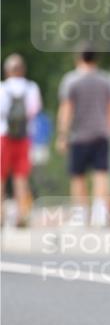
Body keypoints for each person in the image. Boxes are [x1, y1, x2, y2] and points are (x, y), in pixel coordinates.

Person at [56, 48, 110, 225]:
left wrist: (62, 135)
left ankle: (79, 216)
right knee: (101, 174)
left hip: (78, 136)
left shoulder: (71, 80)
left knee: (78, 176)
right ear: (96, 59)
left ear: (78, 58)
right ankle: (100, 215)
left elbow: (66, 109)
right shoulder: (106, 81)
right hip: (101, 134)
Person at [0, 54, 42, 226]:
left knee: (1, 177)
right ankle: (22, 216)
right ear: (23, 70)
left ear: (7, 71)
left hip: (3, 136)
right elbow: (35, 110)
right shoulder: (31, 88)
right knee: (21, 176)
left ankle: (1, 216)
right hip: (24, 137)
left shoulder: (2, 88)